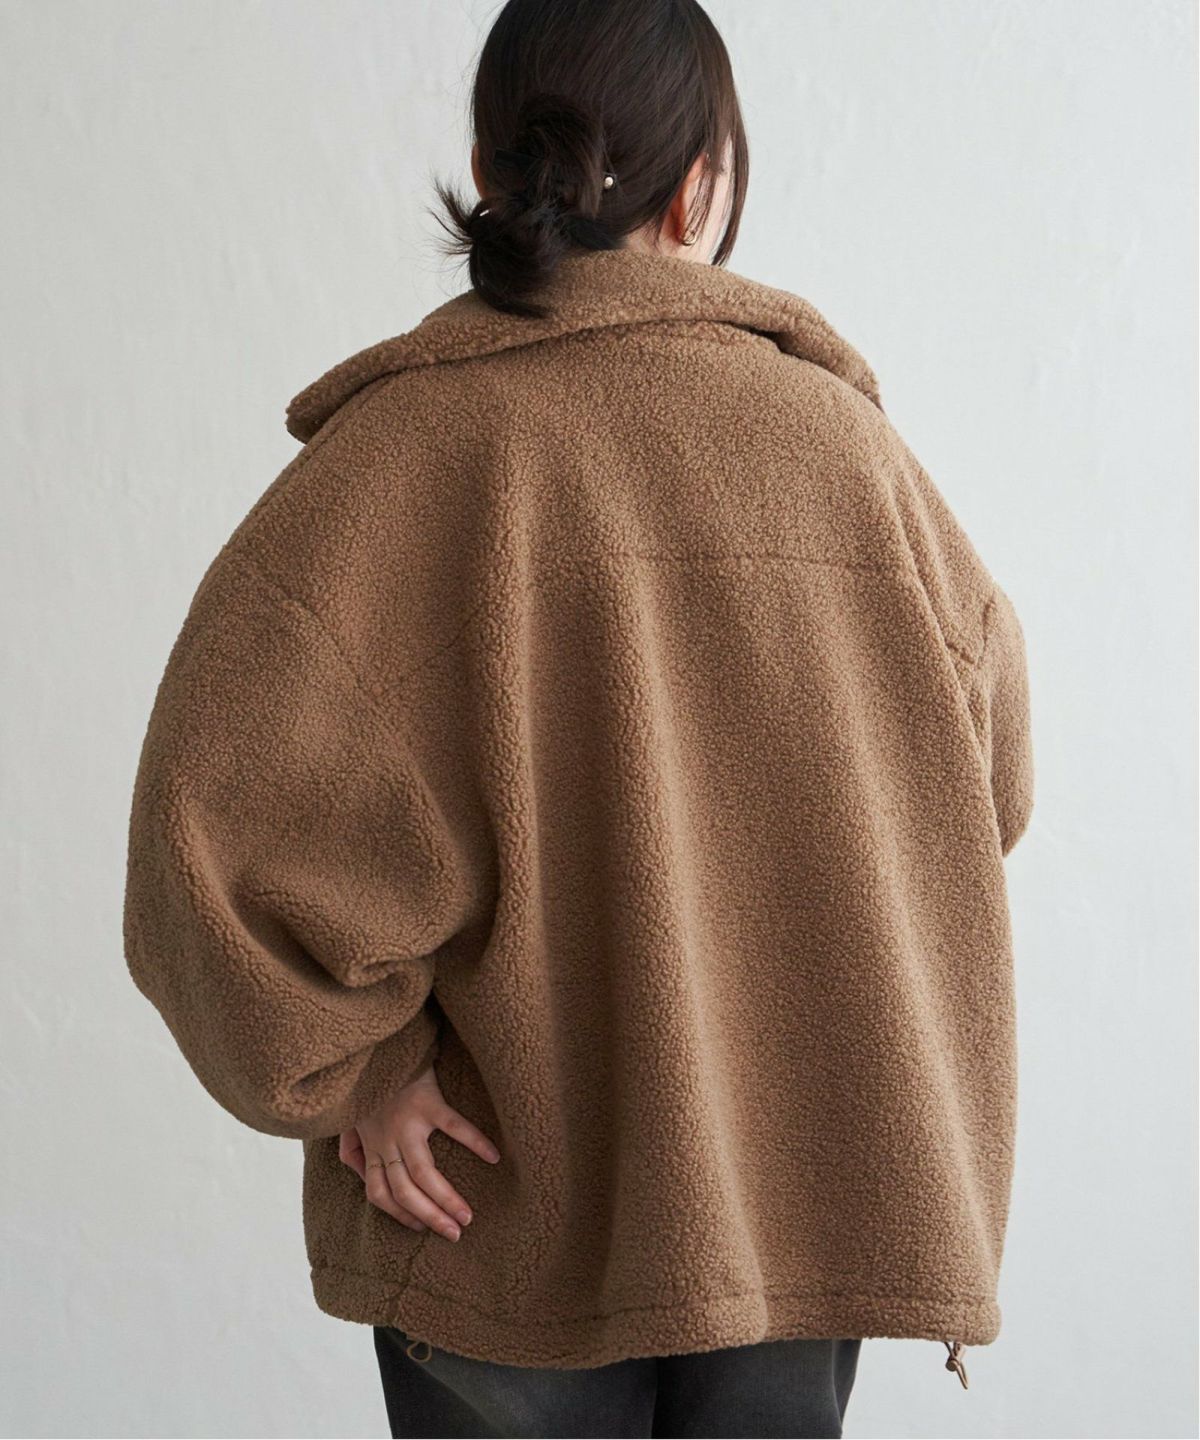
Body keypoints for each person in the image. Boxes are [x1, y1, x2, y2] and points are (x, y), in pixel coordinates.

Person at [121, 1, 1034, 1436]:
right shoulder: (848, 457)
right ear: (701, 187)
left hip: (489, 1208)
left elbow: (207, 841)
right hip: (794, 1203)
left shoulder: (389, 462)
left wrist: (357, 1071)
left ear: (495, 169)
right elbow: (990, 785)